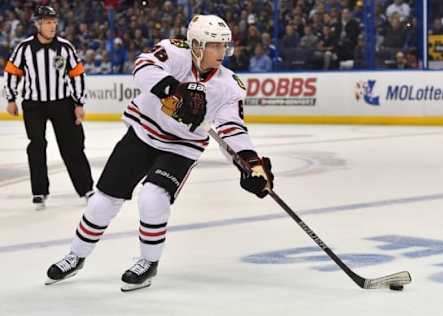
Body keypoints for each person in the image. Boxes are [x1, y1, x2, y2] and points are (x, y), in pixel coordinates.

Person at [45, 14, 275, 292]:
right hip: (142, 133)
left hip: (182, 148)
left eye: (224, 46)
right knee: (102, 202)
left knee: (153, 198)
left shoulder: (228, 85)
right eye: (214, 45)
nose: (221, 52)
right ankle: (76, 255)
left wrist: (250, 161)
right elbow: (142, 67)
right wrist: (174, 90)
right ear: (197, 45)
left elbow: (232, 127)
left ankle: (148, 262)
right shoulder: (175, 52)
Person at [3, 6, 94, 210]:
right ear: (37, 25)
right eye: (47, 22)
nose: (52, 26)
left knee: (72, 146)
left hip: (62, 102)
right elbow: (11, 72)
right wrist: (11, 98)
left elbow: (78, 74)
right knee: (36, 146)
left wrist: (79, 103)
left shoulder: (65, 47)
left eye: (53, 22)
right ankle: (39, 192)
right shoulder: (24, 48)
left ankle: (86, 188)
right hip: (34, 104)